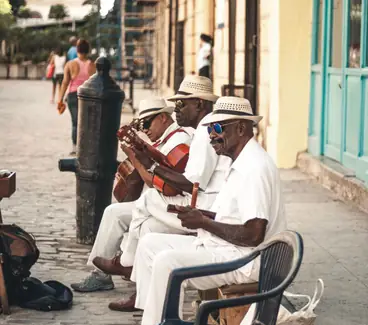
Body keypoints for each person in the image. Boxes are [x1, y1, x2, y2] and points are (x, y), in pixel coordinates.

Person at [131, 96, 287, 325]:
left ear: (241, 128)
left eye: (217, 128)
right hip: (228, 248)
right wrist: (202, 217)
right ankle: (154, 317)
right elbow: (235, 217)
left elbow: (254, 234)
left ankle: (159, 320)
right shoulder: (240, 161)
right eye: (209, 129)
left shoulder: (254, 169)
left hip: (246, 261)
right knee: (149, 244)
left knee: (167, 262)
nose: (212, 135)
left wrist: (204, 223)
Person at [92, 75, 232, 311]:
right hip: (203, 202)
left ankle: (127, 262)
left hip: (205, 210)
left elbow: (190, 185)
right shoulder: (201, 131)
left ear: (199, 103)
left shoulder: (205, 133)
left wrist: (150, 164)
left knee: (148, 200)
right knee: (147, 228)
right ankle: (143, 299)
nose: (178, 110)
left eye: (181, 104)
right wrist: (148, 154)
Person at [70, 98, 193, 294]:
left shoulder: (179, 141)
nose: (144, 130)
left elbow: (158, 183)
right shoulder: (164, 141)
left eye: (146, 124)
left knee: (140, 219)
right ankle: (100, 274)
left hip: (173, 204)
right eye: (141, 125)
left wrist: (135, 157)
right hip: (160, 201)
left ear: (162, 117)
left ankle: (130, 270)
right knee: (113, 212)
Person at [58, 39, 96, 155]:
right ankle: (86, 146)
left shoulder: (70, 64)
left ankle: (75, 147)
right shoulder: (92, 65)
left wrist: (60, 99)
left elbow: (65, 82)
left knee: (75, 122)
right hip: (88, 96)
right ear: (88, 50)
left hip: (73, 96)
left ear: (77, 50)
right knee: (87, 123)